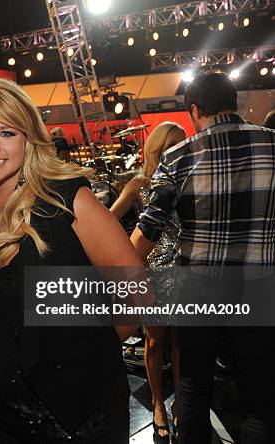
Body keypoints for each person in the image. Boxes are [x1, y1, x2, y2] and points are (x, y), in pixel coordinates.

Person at [0, 77, 142, 443]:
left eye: (6, 132)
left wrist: (83, 355)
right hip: (3, 420)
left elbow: (137, 297)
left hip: (82, 420)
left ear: (28, 138)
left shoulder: (69, 201)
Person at [131, 71, 275, 444]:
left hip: (201, 290)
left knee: (194, 387)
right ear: (235, 102)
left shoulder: (179, 157)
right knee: (259, 397)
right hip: (261, 288)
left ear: (195, 110)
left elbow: (148, 232)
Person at [111, 122, 186, 443]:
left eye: (182, 144)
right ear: (156, 149)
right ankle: (157, 404)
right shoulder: (140, 183)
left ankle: (181, 403)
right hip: (152, 272)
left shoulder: (188, 177)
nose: (180, 150)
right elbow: (110, 218)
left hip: (184, 271)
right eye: (173, 145)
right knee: (155, 342)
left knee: (181, 343)